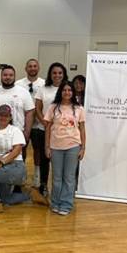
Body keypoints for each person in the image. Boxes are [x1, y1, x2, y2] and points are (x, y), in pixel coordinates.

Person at [0, 105, 46, 214]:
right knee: (6, 199)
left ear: (10, 117)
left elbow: (17, 149)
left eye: (6, 115)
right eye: (1, 115)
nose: (3, 117)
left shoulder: (15, 130)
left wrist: (1, 162)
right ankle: (29, 194)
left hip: (15, 166)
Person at [45, 82, 86, 216]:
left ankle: (66, 204)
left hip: (73, 146)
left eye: (69, 90)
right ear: (60, 92)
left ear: (73, 93)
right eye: (64, 90)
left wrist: (83, 147)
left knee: (69, 178)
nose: (67, 92)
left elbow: (82, 129)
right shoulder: (53, 107)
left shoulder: (79, 108)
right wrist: (47, 146)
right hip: (55, 146)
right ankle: (55, 202)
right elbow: (48, 128)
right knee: (57, 178)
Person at [33, 62, 68, 195]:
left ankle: (59, 188)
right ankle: (43, 185)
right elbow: (38, 108)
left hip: (63, 132)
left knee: (60, 160)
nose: (57, 75)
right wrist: (45, 123)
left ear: (63, 74)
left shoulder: (66, 89)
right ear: (50, 74)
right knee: (44, 159)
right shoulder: (43, 89)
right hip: (45, 130)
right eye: (54, 73)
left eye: (60, 73)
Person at [0, 64, 34, 145]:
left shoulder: (23, 92)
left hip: (18, 134)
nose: (8, 77)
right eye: (5, 75)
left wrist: (27, 132)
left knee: (18, 157)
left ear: (14, 76)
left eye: (11, 75)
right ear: (1, 76)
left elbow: (30, 112)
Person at [16, 58, 47, 187]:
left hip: (38, 123)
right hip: (22, 122)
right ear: (26, 68)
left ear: (38, 68)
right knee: (20, 148)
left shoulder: (45, 84)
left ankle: (37, 175)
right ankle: (21, 174)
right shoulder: (18, 84)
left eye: (35, 66)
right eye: (30, 66)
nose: (32, 68)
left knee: (37, 150)